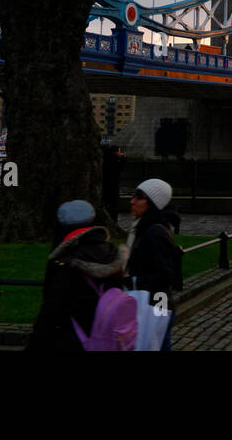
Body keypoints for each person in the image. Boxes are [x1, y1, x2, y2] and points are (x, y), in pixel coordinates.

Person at [27, 201, 136, 351]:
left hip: (72, 337)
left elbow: (52, 307)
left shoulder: (65, 261)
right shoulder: (110, 252)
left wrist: (36, 340)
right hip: (106, 335)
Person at [126, 179, 179, 351]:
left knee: (156, 341)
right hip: (158, 300)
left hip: (157, 301)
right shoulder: (145, 228)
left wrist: (132, 281)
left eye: (139, 198)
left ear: (152, 204)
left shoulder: (153, 232)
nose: (132, 201)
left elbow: (164, 276)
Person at [101, 145, 126, 219]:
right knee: (114, 203)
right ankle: (113, 218)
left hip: (105, 185)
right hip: (113, 185)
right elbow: (118, 170)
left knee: (106, 201)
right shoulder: (114, 160)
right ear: (116, 152)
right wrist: (123, 159)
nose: (120, 153)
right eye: (119, 151)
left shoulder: (105, 158)